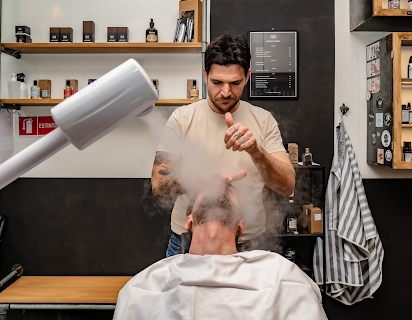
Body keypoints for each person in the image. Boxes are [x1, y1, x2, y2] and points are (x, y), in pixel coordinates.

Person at [151, 33, 295, 257]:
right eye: (217, 82)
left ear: (247, 76)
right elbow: (159, 183)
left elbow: (287, 186)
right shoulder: (182, 118)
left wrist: (256, 152)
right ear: (205, 75)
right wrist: (201, 180)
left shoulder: (263, 120)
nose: (226, 92)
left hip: (250, 245)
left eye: (235, 83)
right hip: (188, 243)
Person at [113, 183, 327, 320]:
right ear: (188, 221)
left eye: (230, 190)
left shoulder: (282, 276)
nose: (221, 184)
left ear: (241, 226)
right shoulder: (143, 287)